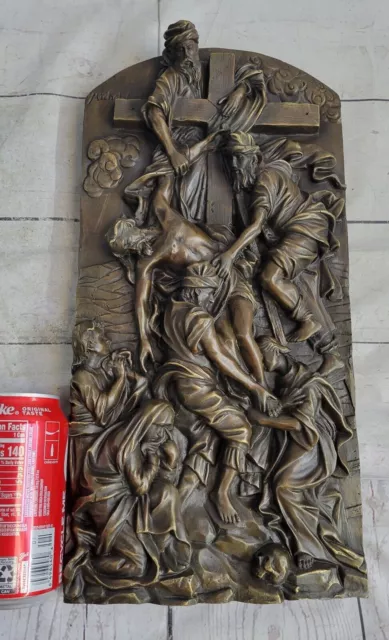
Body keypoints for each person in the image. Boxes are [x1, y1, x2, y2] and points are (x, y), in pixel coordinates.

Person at [153, 262, 282, 525]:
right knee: (241, 430)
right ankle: (221, 493)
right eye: (208, 293)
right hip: (197, 389)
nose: (211, 299)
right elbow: (221, 358)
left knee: (208, 441)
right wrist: (256, 387)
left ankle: (177, 502)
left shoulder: (170, 310)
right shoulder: (198, 318)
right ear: (195, 291)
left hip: (176, 386)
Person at [107, 181, 267, 385]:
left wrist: (172, 150)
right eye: (127, 248)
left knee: (244, 334)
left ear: (132, 227)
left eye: (128, 240)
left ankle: (263, 385)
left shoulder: (163, 211)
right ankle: (253, 392)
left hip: (227, 275)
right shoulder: (147, 262)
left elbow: (167, 178)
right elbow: (141, 301)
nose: (132, 246)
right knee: (227, 343)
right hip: (208, 295)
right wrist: (144, 338)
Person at [213, 132, 345, 342]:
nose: (236, 164)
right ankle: (329, 353)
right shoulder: (263, 179)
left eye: (240, 157)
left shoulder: (264, 182)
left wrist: (229, 255)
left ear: (254, 158)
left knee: (270, 277)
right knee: (298, 290)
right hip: (297, 231)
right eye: (232, 159)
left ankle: (306, 320)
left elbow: (257, 225)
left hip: (306, 228)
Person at [138, 20, 267, 222]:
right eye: (179, 50)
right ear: (171, 55)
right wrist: (172, 152)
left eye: (190, 47)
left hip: (216, 142)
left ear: (197, 46)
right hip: (181, 144)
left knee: (239, 167)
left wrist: (240, 92)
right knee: (169, 181)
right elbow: (155, 112)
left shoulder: (215, 71)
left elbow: (253, 77)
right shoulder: (171, 78)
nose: (187, 55)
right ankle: (167, 230)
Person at [256, 336, 365, 573]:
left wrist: (264, 420)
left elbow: (299, 424)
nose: (261, 363)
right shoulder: (286, 380)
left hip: (313, 446)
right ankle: (303, 539)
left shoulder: (308, 383)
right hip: (295, 443)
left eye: (262, 356)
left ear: (275, 352)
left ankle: (308, 549)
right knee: (278, 485)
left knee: (284, 487)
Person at [64, 400, 191, 601]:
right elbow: (140, 487)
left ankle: (169, 550)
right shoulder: (127, 444)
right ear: (147, 422)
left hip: (123, 497)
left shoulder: (133, 436)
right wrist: (153, 459)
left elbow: (150, 484)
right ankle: (86, 561)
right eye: (162, 428)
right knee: (138, 565)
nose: (165, 435)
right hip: (108, 504)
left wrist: (171, 462)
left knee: (168, 493)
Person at [69, 319, 148, 495]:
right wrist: (120, 379)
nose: (108, 341)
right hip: (90, 445)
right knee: (131, 439)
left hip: (104, 436)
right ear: (89, 344)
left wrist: (128, 375)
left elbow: (122, 405)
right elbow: (103, 412)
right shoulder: (82, 377)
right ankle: (139, 482)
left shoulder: (100, 373)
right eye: (102, 338)